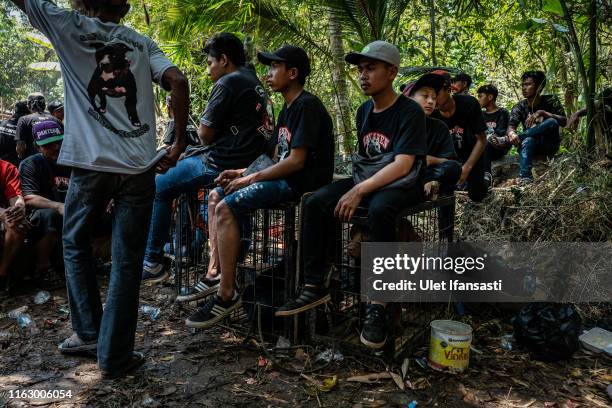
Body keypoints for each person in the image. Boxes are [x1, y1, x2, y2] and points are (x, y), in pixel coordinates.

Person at [9, 0, 189, 378]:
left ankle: (89, 332)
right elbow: (178, 80)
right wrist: (177, 145)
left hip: (92, 165)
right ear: (121, 8)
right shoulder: (141, 42)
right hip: (139, 167)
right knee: (127, 260)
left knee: (73, 241)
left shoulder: (67, 25)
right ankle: (115, 355)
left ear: (83, 3)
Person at [275, 41, 427, 350]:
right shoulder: (363, 111)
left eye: (371, 69)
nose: (363, 76)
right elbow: (367, 160)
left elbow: (403, 164)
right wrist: (355, 186)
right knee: (316, 201)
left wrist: (359, 190)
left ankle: (378, 304)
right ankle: (314, 283)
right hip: (367, 177)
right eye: (360, 70)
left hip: (400, 183)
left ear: (392, 72)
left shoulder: (409, 111)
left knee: (381, 209)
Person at [184, 45, 334, 328]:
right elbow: (277, 158)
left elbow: (296, 162)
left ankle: (227, 294)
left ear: (292, 73)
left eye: (275, 67)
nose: (268, 73)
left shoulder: (307, 106)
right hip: (281, 178)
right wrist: (241, 171)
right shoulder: (287, 109)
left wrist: (249, 178)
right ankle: (217, 275)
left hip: (297, 185)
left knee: (227, 205)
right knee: (217, 194)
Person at [142, 32, 273, 284]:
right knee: (217, 200)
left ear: (224, 59)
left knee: (160, 184)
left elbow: (204, 134)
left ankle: (152, 261)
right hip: (250, 163)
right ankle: (220, 267)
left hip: (221, 163)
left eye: (210, 62)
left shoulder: (228, 83)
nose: (208, 69)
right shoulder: (254, 82)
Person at [19, 120, 72, 278]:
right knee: (50, 216)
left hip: (70, 211)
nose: (55, 147)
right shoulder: (30, 164)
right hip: (40, 217)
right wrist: (57, 206)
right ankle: (43, 268)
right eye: (48, 145)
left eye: (58, 142)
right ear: (37, 146)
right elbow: (28, 197)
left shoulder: (72, 160)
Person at [431, 71, 489, 201]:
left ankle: (485, 178)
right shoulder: (430, 113)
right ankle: (446, 221)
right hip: (447, 158)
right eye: (428, 94)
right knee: (444, 194)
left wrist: (467, 167)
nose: (432, 99)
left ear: (448, 90)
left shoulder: (468, 104)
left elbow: (482, 139)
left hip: (471, 151)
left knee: (477, 195)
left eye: (436, 94)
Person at [403, 74, 461, 198]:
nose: (430, 101)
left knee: (454, 167)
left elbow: (449, 161)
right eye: (425, 96)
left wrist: (429, 160)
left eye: (434, 98)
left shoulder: (439, 127)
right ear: (409, 98)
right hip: (401, 175)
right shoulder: (396, 123)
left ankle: (430, 184)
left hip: (429, 174)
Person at [507, 71, 567, 185]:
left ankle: (521, 136)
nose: (524, 88)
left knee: (551, 121)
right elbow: (511, 126)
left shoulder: (550, 100)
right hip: (530, 145)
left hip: (549, 144)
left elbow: (564, 121)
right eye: (523, 85)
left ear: (539, 87)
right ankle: (525, 178)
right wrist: (511, 134)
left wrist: (543, 113)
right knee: (528, 140)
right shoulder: (519, 106)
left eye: (528, 84)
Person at [0, 159, 26, 295]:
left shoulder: (6, 168)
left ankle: (2, 275)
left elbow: (16, 198)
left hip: (4, 217)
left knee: (16, 222)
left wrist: (18, 208)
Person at [477, 84, 510, 182]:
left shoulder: (502, 112)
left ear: (490, 97)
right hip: (484, 146)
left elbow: (501, 133)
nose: (478, 99)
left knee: (485, 143)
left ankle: (487, 176)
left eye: (480, 96)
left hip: (498, 147)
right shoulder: (481, 114)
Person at [15, 93, 60, 160]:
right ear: (44, 105)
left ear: (29, 105)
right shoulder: (55, 120)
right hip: (53, 162)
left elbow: (20, 147)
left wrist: (21, 158)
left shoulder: (24, 120)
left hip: (33, 163)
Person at [0, 101, 29, 166]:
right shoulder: (22, 128)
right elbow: (20, 148)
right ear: (25, 114)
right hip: (11, 165)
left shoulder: (3, 122)